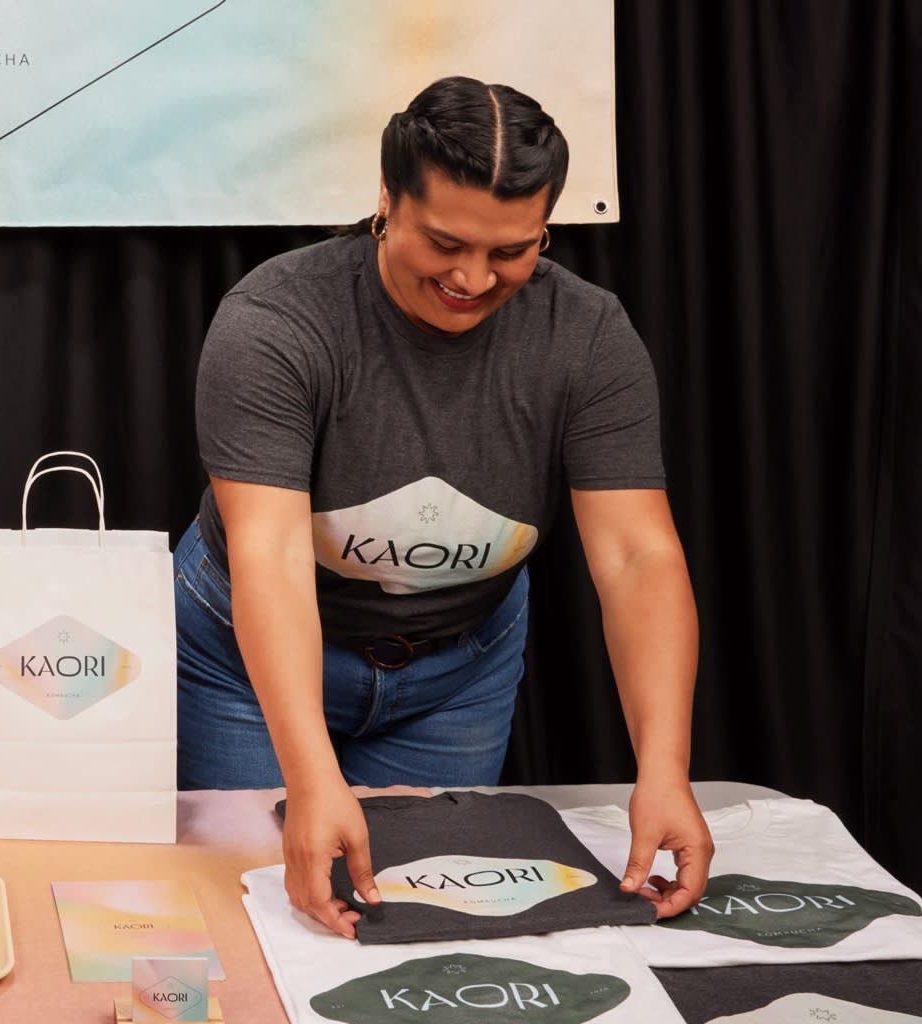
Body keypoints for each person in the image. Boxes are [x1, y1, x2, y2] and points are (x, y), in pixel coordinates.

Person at [174, 75, 714, 938]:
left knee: (423, 923)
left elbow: (636, 556)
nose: (472, 277)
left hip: (456, 672)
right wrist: (311, 781)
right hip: (242, 656)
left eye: (512, 251)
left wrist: (664, 770)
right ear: (387, 200)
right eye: (445, 243)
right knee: (261, 911)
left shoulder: (587, 335)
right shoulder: (276, 320)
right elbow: (269, 554)